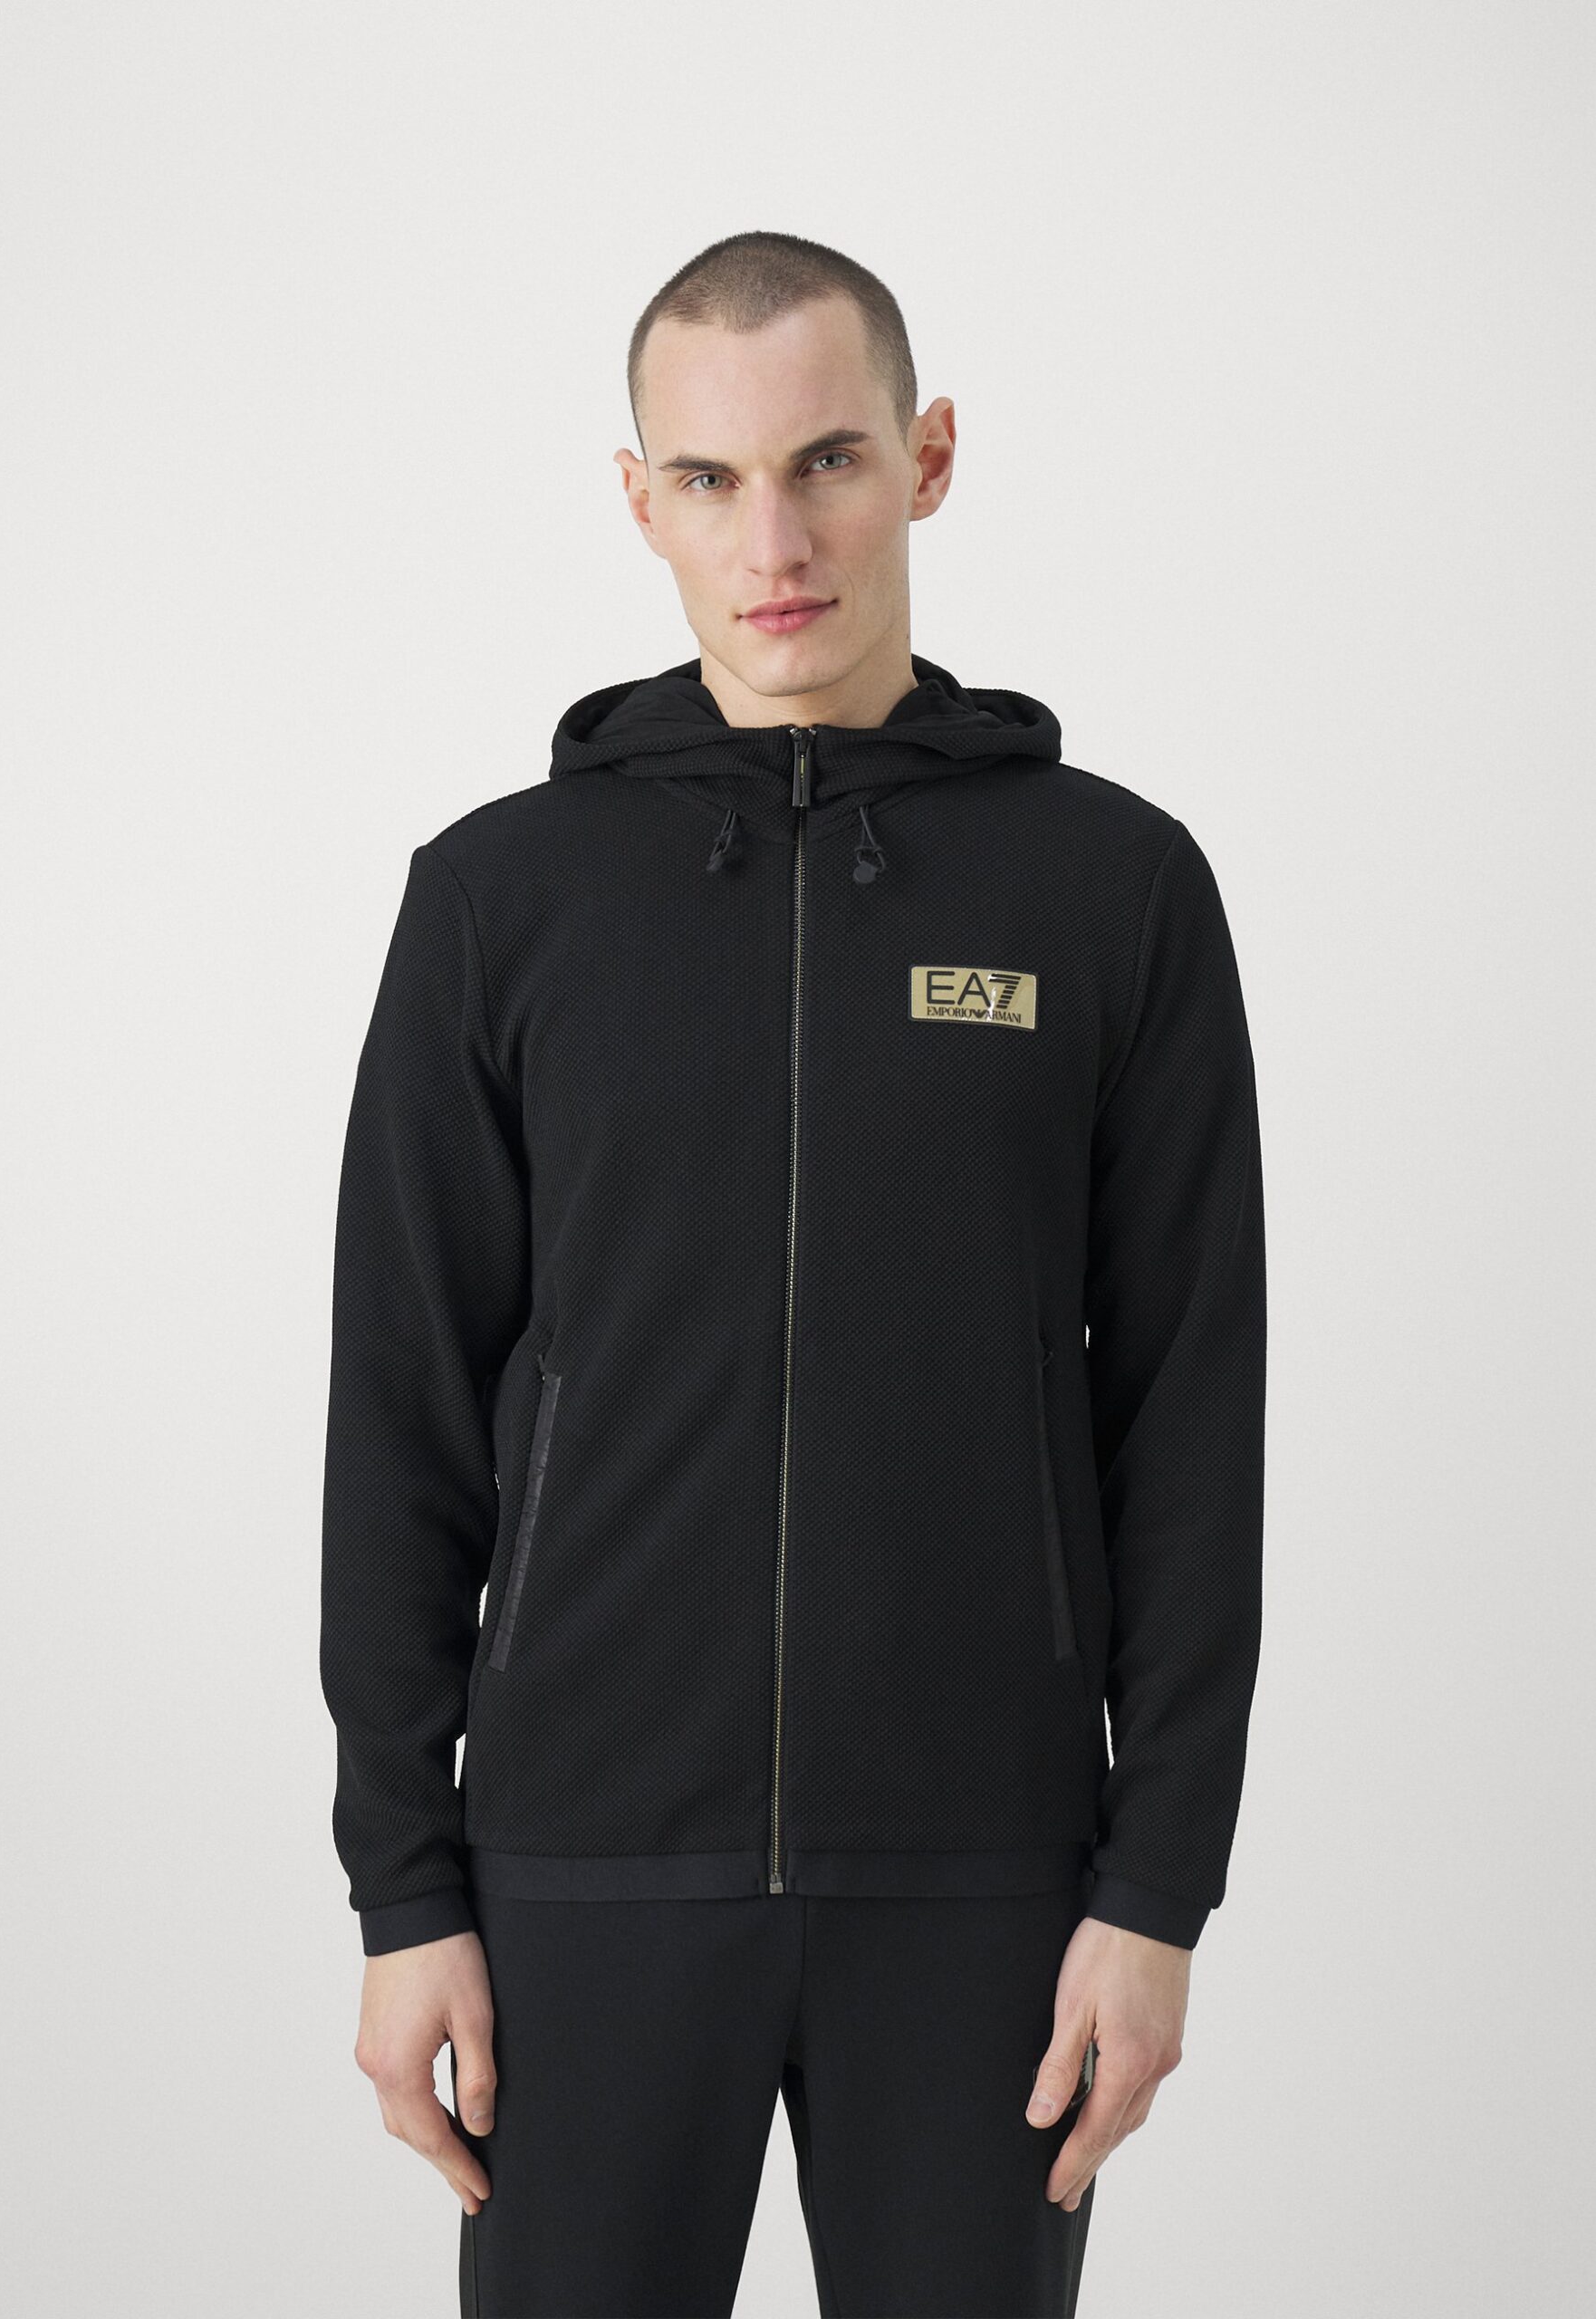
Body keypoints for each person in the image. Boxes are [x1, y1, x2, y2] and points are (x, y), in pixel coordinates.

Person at [321, 228, 1267, 2319]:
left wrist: (1156, 1889)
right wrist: (403, 1882)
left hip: (987, 1885)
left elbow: (1190, 1414)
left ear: (926, 458)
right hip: (576, 1874)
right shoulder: (497, 902)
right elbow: (398, 1414)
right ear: (637, 498)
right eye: (710, 477)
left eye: (826, 460)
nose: (773, 541)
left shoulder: (1109, 888)